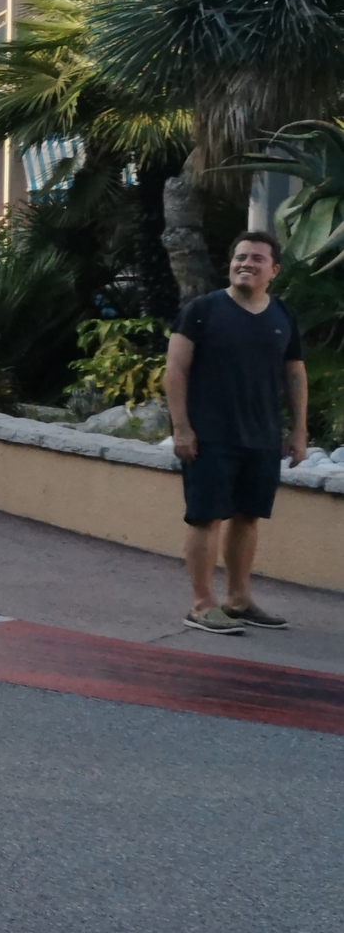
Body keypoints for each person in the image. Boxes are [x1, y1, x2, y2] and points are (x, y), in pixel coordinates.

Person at [167, 229, 309, 634]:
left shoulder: (284, 315)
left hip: (261, 437)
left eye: (257, 258)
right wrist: (181, 427)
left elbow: (295, 372)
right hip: (209, 434)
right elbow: (175, 370)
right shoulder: (202, 310)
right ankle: (200, 604)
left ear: (274, 270)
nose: (246, 263)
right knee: (205, 518)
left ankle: (239, 599)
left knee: (248, 518)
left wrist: (299, 431)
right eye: (240, 256)